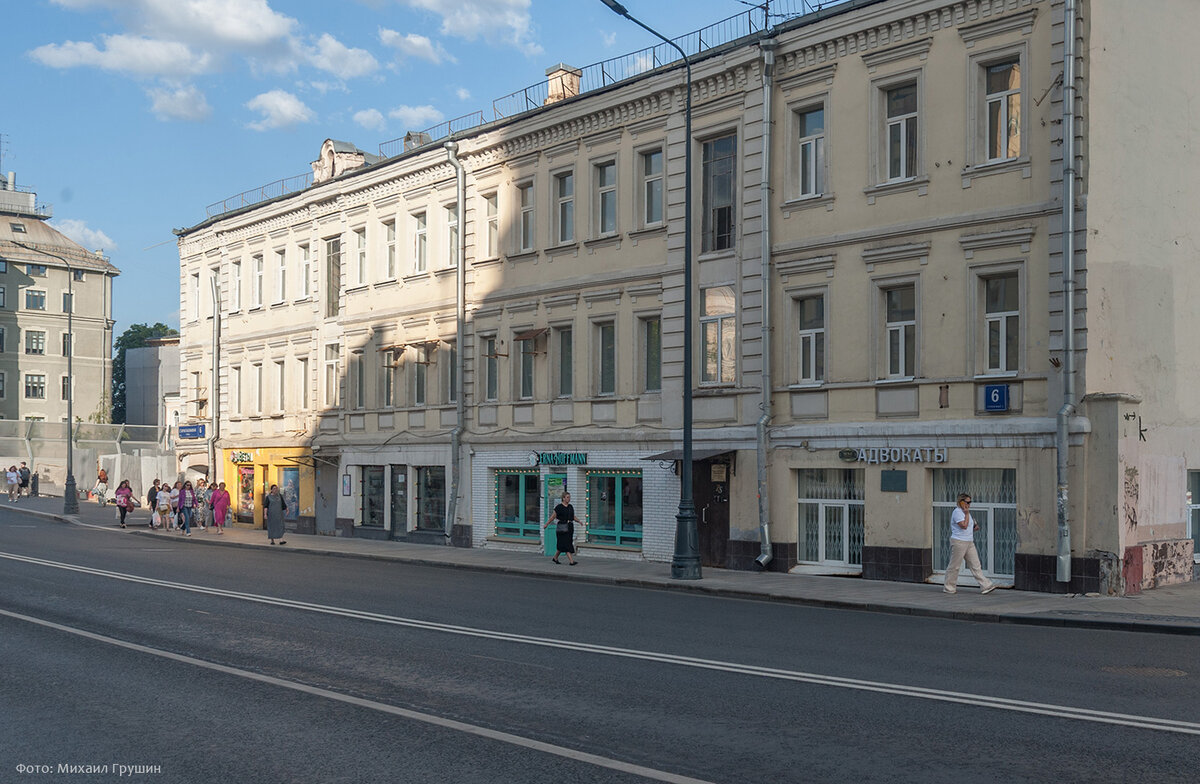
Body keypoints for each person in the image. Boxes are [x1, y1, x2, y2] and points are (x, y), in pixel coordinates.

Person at [944, 492, 996, 595]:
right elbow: (963, 525)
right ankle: (949, 587)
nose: (969, 504)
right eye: (967, 502)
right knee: (955, 566)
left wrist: (974, 527)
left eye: (970, 502)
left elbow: (968, 526)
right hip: (959, 541)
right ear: (961, 502)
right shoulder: (958, 512)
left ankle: (986, 585)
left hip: (969, 541)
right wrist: (967, 514)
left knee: (975, 564)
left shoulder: (965, 512)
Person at [543, 490, 581, 565]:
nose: (569, 499)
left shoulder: (570, 506)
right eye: (567, 497)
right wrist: (546, 524)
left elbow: (572, 516)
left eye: (569, 497)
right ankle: (571, 561)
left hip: (569, 527)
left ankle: (555, 558)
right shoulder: (559, 507)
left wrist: (579, 521)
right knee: (566, 543)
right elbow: (553, 517)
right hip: (562, 527)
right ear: (563, 498)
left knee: (563, 544)